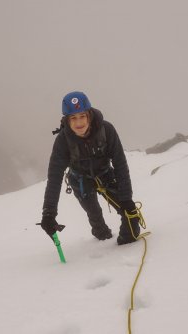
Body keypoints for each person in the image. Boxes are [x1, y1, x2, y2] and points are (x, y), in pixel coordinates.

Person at [40, 91, 142, 245]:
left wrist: (127, 199)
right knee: (95, 216)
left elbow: (120, 164)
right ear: (66, 120)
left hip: (106, 175)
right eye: (73, 118)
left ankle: (125, 244)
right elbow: (54, 178)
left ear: (89, 115)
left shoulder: (106, 130)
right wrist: (49, 214)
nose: (79, 123)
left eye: (82, 116)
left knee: (131, 217)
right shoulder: (63, 141)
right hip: (80, 180)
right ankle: (102, 236)